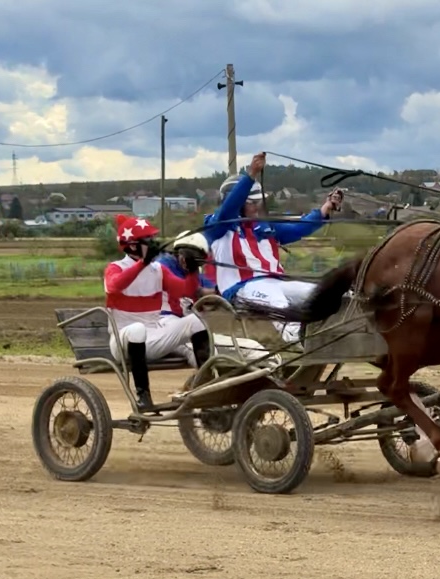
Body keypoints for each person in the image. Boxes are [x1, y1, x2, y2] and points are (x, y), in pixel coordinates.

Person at [203, 151, 344, 343]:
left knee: (321, 293)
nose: (257, 206)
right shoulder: (218, 226)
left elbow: (298, 228)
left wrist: (324, 209)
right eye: (251, 202)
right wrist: (251, 174)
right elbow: (227, 210)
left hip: (276, 282)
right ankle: (299, 340)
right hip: (241, 289)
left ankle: (336, 334)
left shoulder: (265, 226)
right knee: (278, 302)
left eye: (258, 201)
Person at [103, 214, 211, 412]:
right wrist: (142, 264)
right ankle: (143, 398)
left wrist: (193, 270)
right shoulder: (115, 268)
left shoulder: (158, 270)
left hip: (152, 339)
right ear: (132, 245)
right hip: (122, 342)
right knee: (137, 329)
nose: (153, 243)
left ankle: (208, 388)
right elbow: (115, 286)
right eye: (148, 240)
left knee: (196, 321)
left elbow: (185, 290)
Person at [158, 230, 216, 317]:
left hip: (183, 318)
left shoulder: (197, 273)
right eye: (185, 253)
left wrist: (219, 292)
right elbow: (186, 289)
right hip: (163, 317)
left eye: (194, 256)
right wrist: (200, 291)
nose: (185, 260)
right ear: (176, 253)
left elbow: (212, 291)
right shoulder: (164, 264)